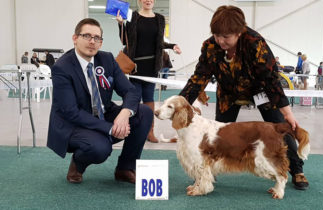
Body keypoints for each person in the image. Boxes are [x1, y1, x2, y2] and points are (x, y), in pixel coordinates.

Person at [179, 5, 309, 190]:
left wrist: (287, 113)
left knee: (279, 129)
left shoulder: (255, 43)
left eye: (226, 37)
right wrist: (181, 104)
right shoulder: (210, 47)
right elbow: (198, 78)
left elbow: (271, 80)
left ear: (239, 32)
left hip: (260, 91)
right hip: (228, 94)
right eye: (216, 35)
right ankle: (207, 174)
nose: (220, 41)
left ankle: (297, 170)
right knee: (219, 136)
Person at [47, 18, 153, 184]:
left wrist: (125, 113)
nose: (92, 41)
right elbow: (71, 112)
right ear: (75, 38)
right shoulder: (62, 67)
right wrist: (111, 128)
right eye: (87, 36)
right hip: (73, 124)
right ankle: (78, 164)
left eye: (97, 38)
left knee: (144, 112)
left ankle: (125, 168)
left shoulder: (107, 59)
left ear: (101, 42)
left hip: (102, 113)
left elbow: (130, 91)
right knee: (101, 148)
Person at [116, 0, 181, 143]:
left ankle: (149, 131)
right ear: (139, 1)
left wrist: (172, 46)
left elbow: (159, 43)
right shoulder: (132, 16)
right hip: (135, 66)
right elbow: (125, 41)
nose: (148, 0)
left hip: (152, 66)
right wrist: (121, 24)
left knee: (149, 98)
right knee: (134, 98)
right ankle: (133, 130)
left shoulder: (160, 18)